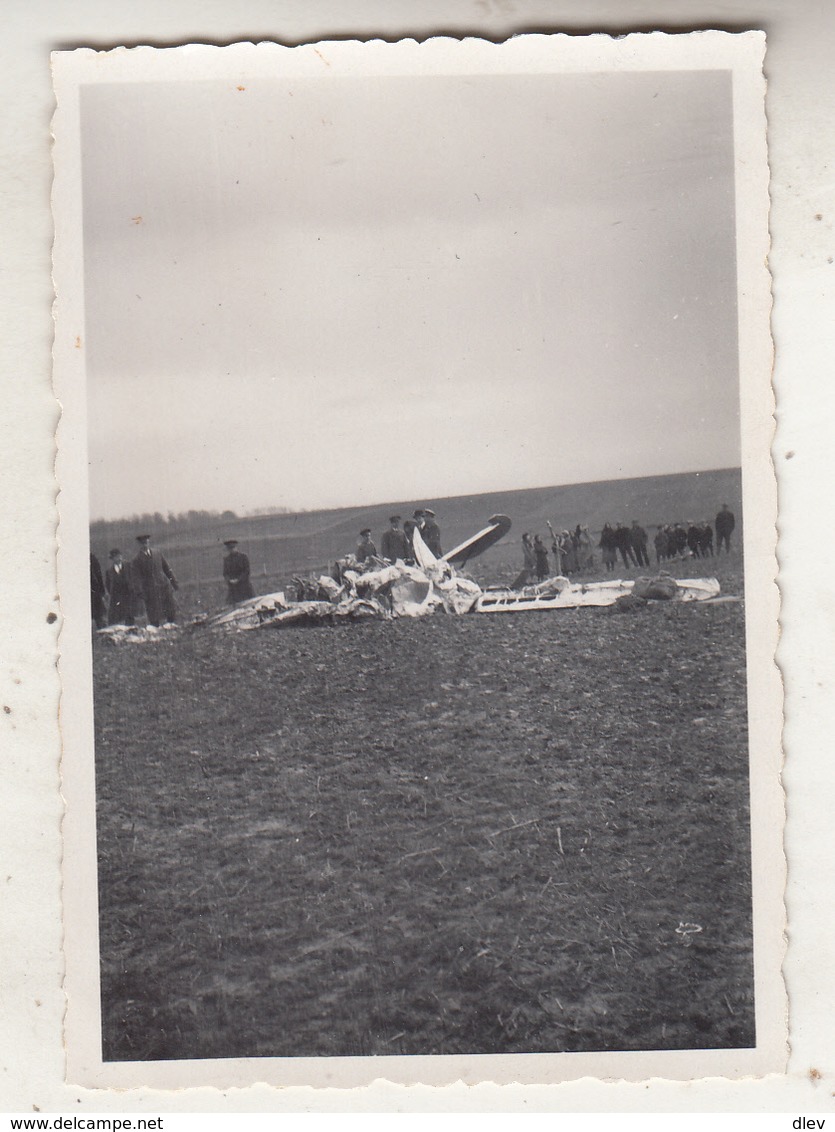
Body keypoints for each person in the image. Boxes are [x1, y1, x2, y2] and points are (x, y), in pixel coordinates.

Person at [132, 534, 179, 626]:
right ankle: (156, 631)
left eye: (146, 542)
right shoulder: (136, 560)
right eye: (142, 543)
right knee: (154, 614)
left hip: (163, 586)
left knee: (170, 608)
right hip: (149, 589)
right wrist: (140, 592)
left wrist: (174, 582)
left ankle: (171, 627)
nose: (144, 545)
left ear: (148, 542)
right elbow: (136, 578)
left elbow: (167, 568)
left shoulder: (157, 553)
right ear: (139, 545)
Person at [105, 549, 135, 626]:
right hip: (117, 596)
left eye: (119, 556)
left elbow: (134, 578)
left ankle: (131, 630)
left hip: (128, 594)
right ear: (112, 559)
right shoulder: (109, 571)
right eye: (116, 557)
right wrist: (112, 593)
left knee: (130, 614)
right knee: (118, 615)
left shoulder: (128, 565)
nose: (119, 558)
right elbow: (108, 584)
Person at [223, 539, 255, 603]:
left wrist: (238, 579)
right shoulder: (227, 560)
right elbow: (225, 573)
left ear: (236, 547)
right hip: (233, 588)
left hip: (244, 586)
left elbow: (247, 571)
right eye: (230, 548)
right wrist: (230, 580)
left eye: (233, 548)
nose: (232, 550)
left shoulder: (243, 557)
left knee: (249, 603)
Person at [90, 552, 107, 629]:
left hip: (94, 590)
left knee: (99, 615)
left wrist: (102, 590)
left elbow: (98, 575)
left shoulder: (91, 557)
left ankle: (103, 632)